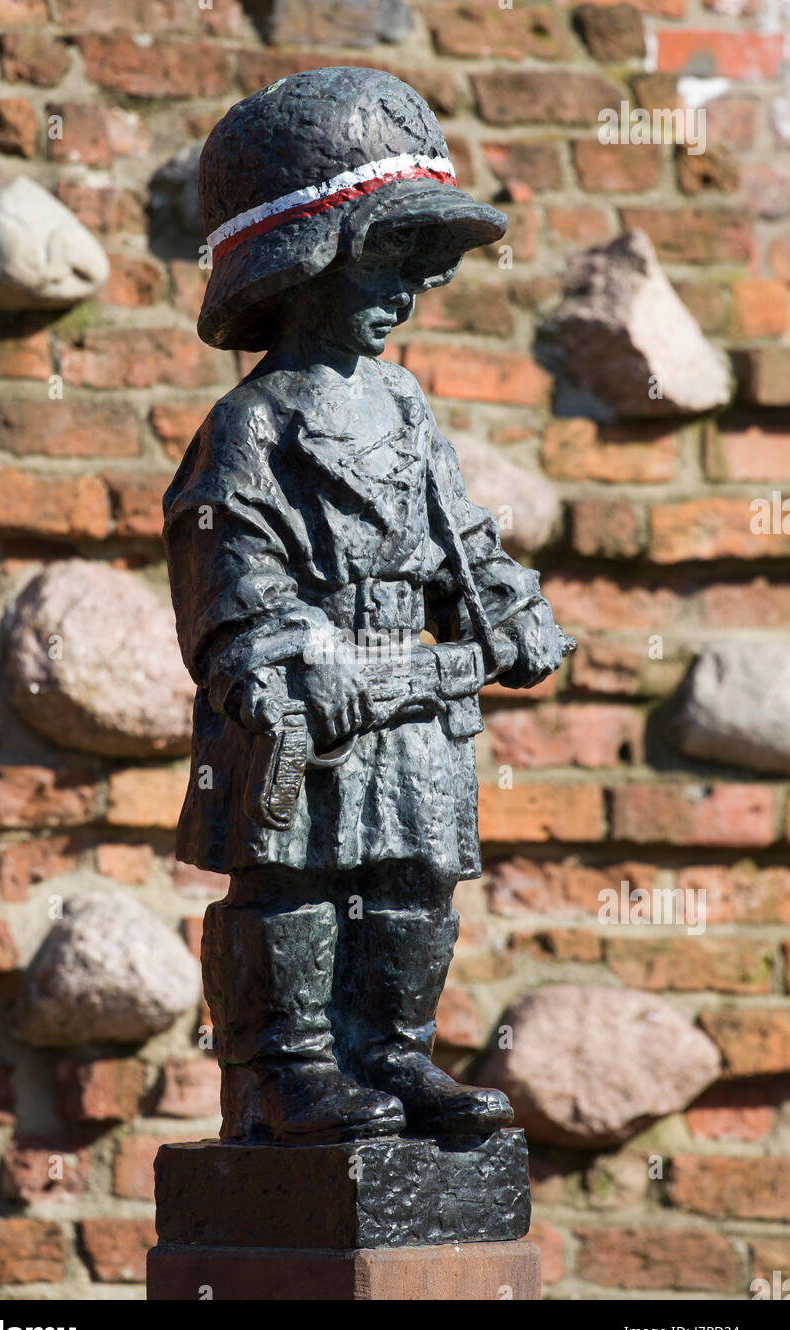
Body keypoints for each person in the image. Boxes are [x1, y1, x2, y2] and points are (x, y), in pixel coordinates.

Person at [163, 67, 565, 1145]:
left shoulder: (402, 402)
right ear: (303, 262)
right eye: (388, 259)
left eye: (424, 266)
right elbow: (230, 576)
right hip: (315, 708)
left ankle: (390, 1046)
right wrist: (282, 666)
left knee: (412, 883)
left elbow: (459, 538)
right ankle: (287, 1067)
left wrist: (509, 605)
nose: (412, 289)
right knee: (293, 885)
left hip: (416, 711)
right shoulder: (252, 427)